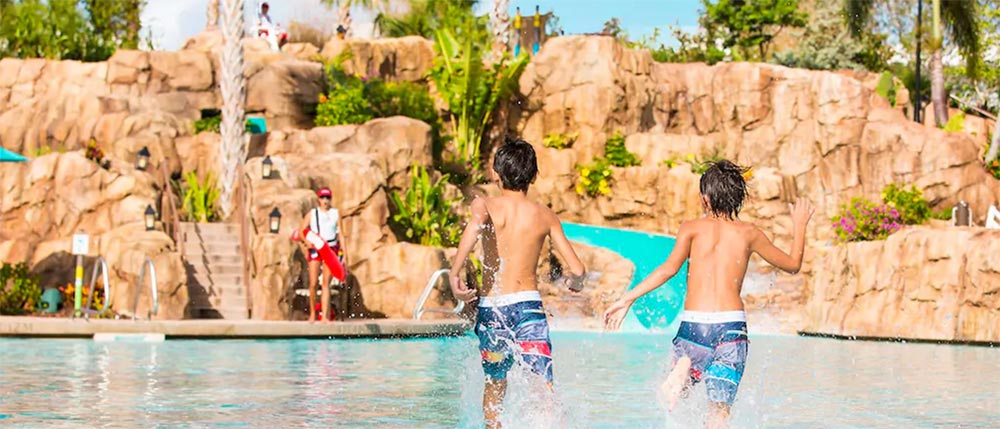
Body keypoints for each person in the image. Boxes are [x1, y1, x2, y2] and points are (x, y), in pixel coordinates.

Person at [603, 160, 813, 429]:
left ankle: (685, 366)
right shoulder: (750, 233)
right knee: (719, 415)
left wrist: (627, 298)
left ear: (705, 199)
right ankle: (687, 371)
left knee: (681, 392)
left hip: (694, 326)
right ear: (738, 198)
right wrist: (800, 226)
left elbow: (668, 269)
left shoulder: (691, 228)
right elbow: (793, 265)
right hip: (730, 329)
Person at [449, 137, 587, 429]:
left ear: (496, 175)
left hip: (493, 311)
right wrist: (576, 282)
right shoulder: (544, 215)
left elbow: (473, 231)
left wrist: (455, 271)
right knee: (542, 385)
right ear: (534, 176)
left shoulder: (484, 205)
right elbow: (577, 268)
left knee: (495, 384)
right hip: (528, 311)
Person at [299, 187, 348, 322]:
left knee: (326, 283)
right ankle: (313, 313)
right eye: (323, 198)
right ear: (318, 199)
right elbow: (302, 230)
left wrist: (344, 255)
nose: (325, 200)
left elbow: (341, 235)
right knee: (313, 283)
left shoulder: (335, 214)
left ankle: (325, 316)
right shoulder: (313, 213)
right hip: (316, 248)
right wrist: (307, 242)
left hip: (331, 248)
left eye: (328, 198)